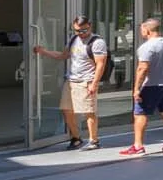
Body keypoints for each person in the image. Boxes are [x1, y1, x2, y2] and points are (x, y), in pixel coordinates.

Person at [33, 16, 107, 149]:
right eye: (77, 30)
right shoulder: (73, 39)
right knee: (66, 110)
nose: (81, 33)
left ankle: (94, 141)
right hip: (71, 80)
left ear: (90, 26)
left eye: (84, 30)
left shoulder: (97, 42)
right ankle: (76, 138)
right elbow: (63, 55)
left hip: (86, 80)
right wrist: (43, 52)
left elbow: (100, 64)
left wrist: (94, 83)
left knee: (88, 111)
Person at [124, 19, 163, 156]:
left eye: (142, 30)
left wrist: (136, 88)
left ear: (147, 30)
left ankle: (138, 145)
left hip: (151, 85)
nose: (141, 32)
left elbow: (142, 68)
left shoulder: (146, 47)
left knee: (140, 113)